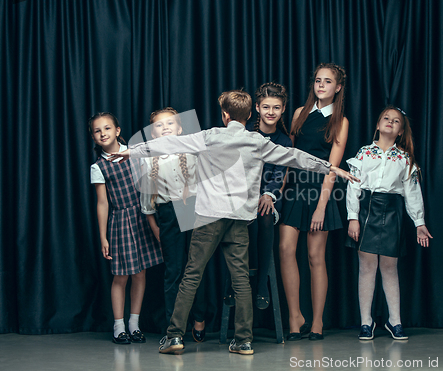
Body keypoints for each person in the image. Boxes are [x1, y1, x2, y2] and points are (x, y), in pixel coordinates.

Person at [107, 90, 358, 355]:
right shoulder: (258, 141)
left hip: (209, 217)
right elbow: (294, 156)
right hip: (239, 218)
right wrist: (331, 168)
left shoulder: (209, 136)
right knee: (241, 280)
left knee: (191, 275)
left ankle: (174, 338)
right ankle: (243, 341)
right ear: (250, 115)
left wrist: (130, 151)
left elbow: (168, 145)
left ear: (225, 115)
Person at [346, 106, 433, 340]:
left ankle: (395, 321)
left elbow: (412, 193)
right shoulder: (363, 153)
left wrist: (419, 222)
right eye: (386, 118)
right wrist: (353, 217)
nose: (390, 122)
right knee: (366, 268)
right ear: (377, 125)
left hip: (392, 211)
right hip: (366, 210)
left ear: (401, 131)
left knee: (389, 268)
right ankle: (366, 321)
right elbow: (353, 186)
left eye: (396, 121)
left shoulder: (405, 158)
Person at [279, 63, 349, 341]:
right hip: (294, 189)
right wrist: (277, 190)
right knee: (285, 250)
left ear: (338, 87)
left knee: (314, 257)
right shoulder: (299, 113)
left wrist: (321, 206)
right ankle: (295, 318)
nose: (321, 85)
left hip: (319, 192)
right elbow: (288, 155)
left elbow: (333, 168)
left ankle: (317, 322)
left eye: (327, 81)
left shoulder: (340, 121)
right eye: (318, 80)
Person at [89, 112, 163, 344]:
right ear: (93, 136)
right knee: (121, 276)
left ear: (118, 131)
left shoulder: (135, 152)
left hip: (144, 216)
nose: (103, 133)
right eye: (97, 131)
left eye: (107, 128)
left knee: (140, 274)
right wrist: (103, 236)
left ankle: (134, 324)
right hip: (121, 222)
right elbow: (103, 203)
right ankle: (118, 326)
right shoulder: (98, 167)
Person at [140, 107, 207, 342]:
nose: (165, 127)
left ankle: (199, 317)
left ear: (179, 129)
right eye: (159, 125)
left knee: (195, 268)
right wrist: (155, 228)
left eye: (170, 124)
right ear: (153, 133)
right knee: (173, 272)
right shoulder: (148, 160)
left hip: (194, 210)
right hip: (167, 214)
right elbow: (147, 202)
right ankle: (173, 329)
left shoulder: (192, 151)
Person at [225, 82, 292, 310]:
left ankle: (261, 282)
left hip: (269, 197)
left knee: (264, 215)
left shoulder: (284, 141)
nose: (270, 112)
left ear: (283, 109)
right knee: (239, 221)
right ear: (257, 108)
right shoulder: (247, 136)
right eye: (266, 107)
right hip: (244, 194)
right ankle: (234, 284)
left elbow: (279, 174)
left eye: (276, 107)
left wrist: (268, 195)